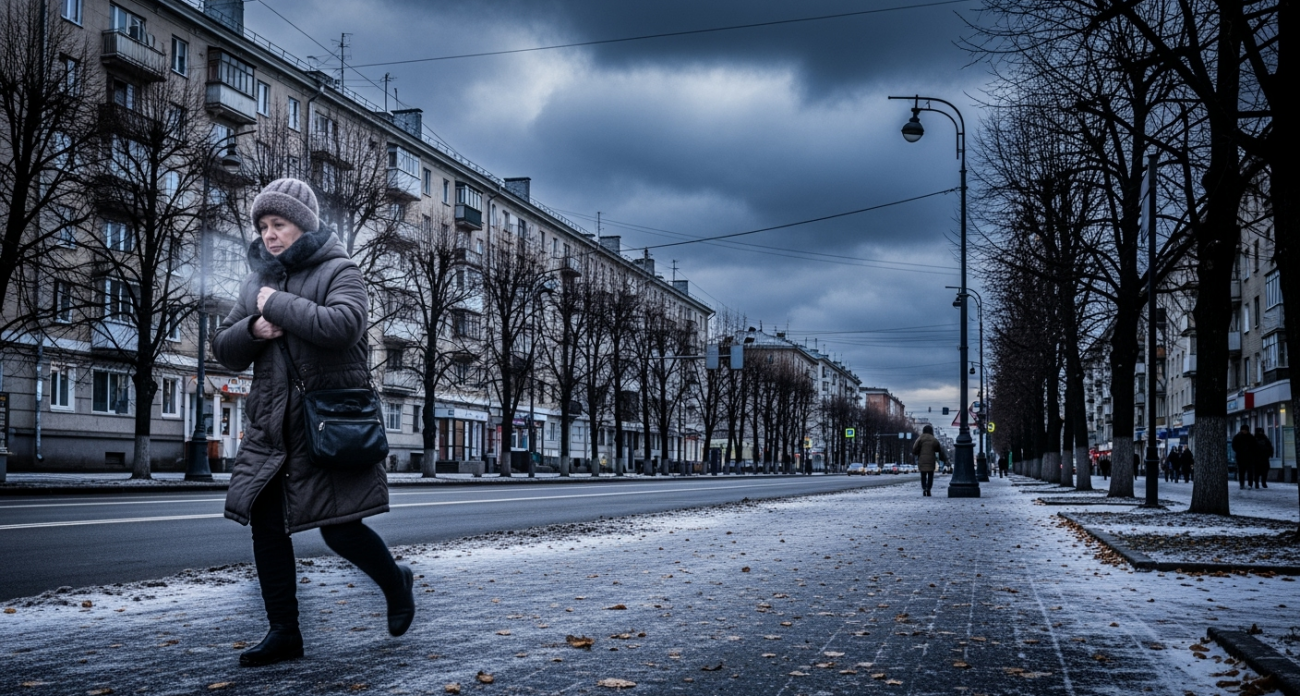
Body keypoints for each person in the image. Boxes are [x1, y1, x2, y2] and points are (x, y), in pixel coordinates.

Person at [213, 178, 415, 667]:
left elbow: (343, 326)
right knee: (266, 527)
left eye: (278, 224)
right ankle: (284, 632)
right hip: (271, 430)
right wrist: (253, 327)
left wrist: (276, 306)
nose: (269, 235)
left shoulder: (339, 270)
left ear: (303, 224)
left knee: (339, 530)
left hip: (327, 428)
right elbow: (223, 349)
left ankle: (396, 582)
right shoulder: (255, 284)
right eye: (263, 226)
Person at [911, 425, 946, 496]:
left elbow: (914, 448)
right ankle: (929, 489)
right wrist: (942, 458)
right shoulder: (934, 439)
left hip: (922, 459)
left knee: (923, 475)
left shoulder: (920, 438)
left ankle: (924, 488)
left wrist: (917, 453)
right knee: (930, 475)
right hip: (931, 460)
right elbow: (938, 449)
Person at [1231, 424, 1256, 490]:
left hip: (1249, 457)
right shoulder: (1237, 437)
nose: (1244, 431)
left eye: (1246, 430)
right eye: (1243, 430)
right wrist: (1239, 450)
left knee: (1250, 472)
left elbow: (1255, 446)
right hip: (1241, 457)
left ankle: (1250, 484)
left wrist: (1252, 453)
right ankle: (1242, 484)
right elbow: (1234, 445)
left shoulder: (1251, 437)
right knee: (1241, 471)